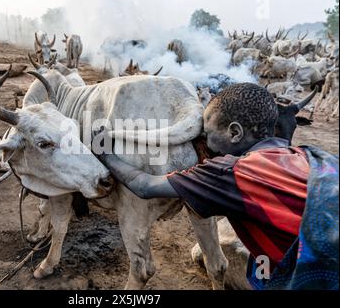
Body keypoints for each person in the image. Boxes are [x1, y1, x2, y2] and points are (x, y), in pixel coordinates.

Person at [94, 83, 339, 290]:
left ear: (234, 132)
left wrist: (104, 153)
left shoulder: (230, 173)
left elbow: (143, 185)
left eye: (207, 133)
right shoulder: (312, 156)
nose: (203, 140)